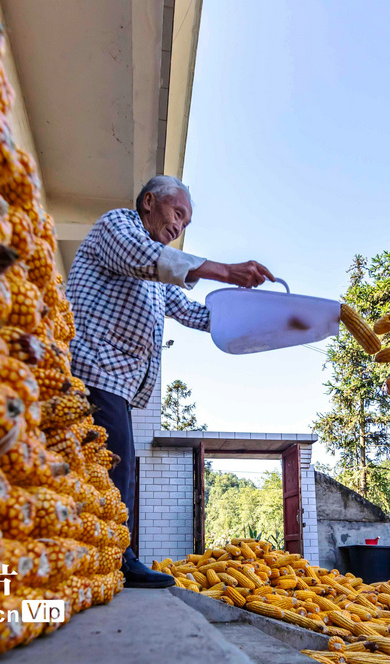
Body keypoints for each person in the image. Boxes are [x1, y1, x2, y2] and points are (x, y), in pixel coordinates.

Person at [66, 175, 274, 588]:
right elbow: (142, 254)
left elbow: (197, 314)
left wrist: (271, 320)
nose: (180, 226)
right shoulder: (118, 226)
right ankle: (116, 559)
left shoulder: (159, 278)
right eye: (178, 213)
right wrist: (224, 271)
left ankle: (98, 555)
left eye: (187, 222)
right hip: (91, 369)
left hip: (118, 385)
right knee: (116, 472)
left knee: (110, 473)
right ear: (148, 202)